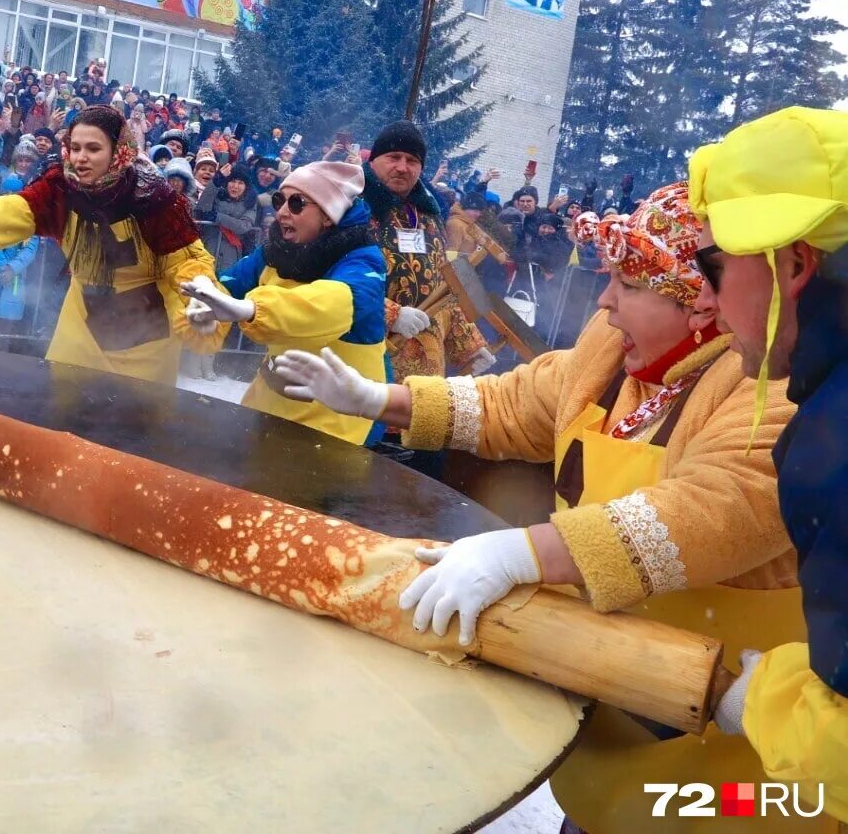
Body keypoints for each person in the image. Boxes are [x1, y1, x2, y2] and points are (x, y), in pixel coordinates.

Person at [272, 182, 805, 831]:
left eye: (628, 287)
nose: (604, 302)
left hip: (742, 723)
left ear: (700, 301)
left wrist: (523, 554)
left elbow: (710, 511)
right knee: (602, 812)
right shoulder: (609, 358)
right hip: (618, 678)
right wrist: (377, 400)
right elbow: (509, 404)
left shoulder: (777, 386)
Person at [691, 108, 848, 821]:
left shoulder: (837, 442)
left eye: (713, 269)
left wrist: (764, 699)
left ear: (793, 262)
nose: (706, 300)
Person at [0, 105, 226, 385]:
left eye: (93, 148)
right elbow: (13, 211)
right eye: (74, 147)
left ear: (118, 151)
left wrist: (199, 305)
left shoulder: (155, 198)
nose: (80, 158)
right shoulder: (63, 187)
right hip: (81, 326)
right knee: (63, 419)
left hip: (144, 340)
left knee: (132, 441)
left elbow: (187, 262)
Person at [181, 162, 387, 444]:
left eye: (297, 203)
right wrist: (205, 293)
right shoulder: (277, 251)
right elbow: (229, 282)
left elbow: (335, 303)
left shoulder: (363, 259)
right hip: (269, 402)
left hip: (334, 422)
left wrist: (254, 309)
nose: (281, 211)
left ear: (328, 215)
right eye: (279, 200)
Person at [362, 121, 493, 382]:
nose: (402, 167)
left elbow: (443, 285)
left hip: (425, 372)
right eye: (393, 157)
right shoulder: (353, 207)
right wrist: (390, 314)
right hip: (367, 359)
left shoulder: (429, 215)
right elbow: (331, 280)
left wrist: (469, 345)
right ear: (374, 160)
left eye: (412, 160)